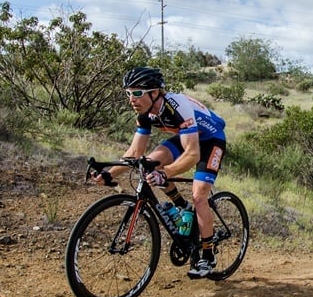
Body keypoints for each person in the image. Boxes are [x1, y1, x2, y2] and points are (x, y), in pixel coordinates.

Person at [92, 67, 227, 279]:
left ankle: (208, 255)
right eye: (128, 93)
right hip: (185, 136)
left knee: (199, 195)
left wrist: (166, 173)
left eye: (137, 93)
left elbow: (192, 154)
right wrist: (110, 174)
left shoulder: (176, 107)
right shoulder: (144, 114)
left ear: (155, 93)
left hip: (211, 140)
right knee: (148, 163)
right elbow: (135, 153)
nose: (131, 99)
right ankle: (183, 210)